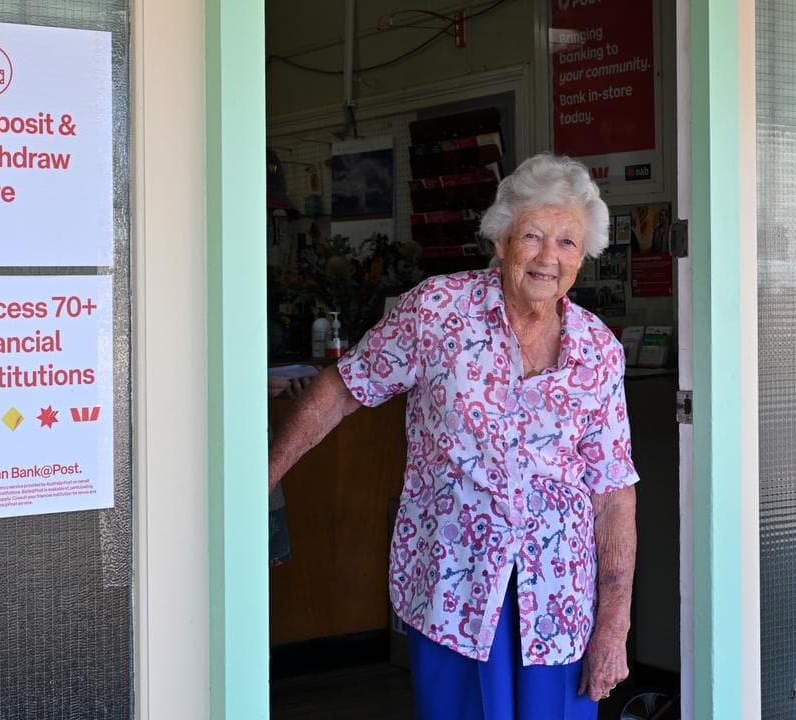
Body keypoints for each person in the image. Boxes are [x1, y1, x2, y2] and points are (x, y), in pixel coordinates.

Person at [269, 153, 638, 720]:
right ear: (501, 240)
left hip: (559, 599)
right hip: (454, 587)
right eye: (533, 236)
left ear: (583, 256)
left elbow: (613, 493)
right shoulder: (438, 310)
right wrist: (260, 480)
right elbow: (345, 388)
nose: (548, 257)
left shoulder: (599, 350)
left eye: (568, 242)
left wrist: (614, 627)